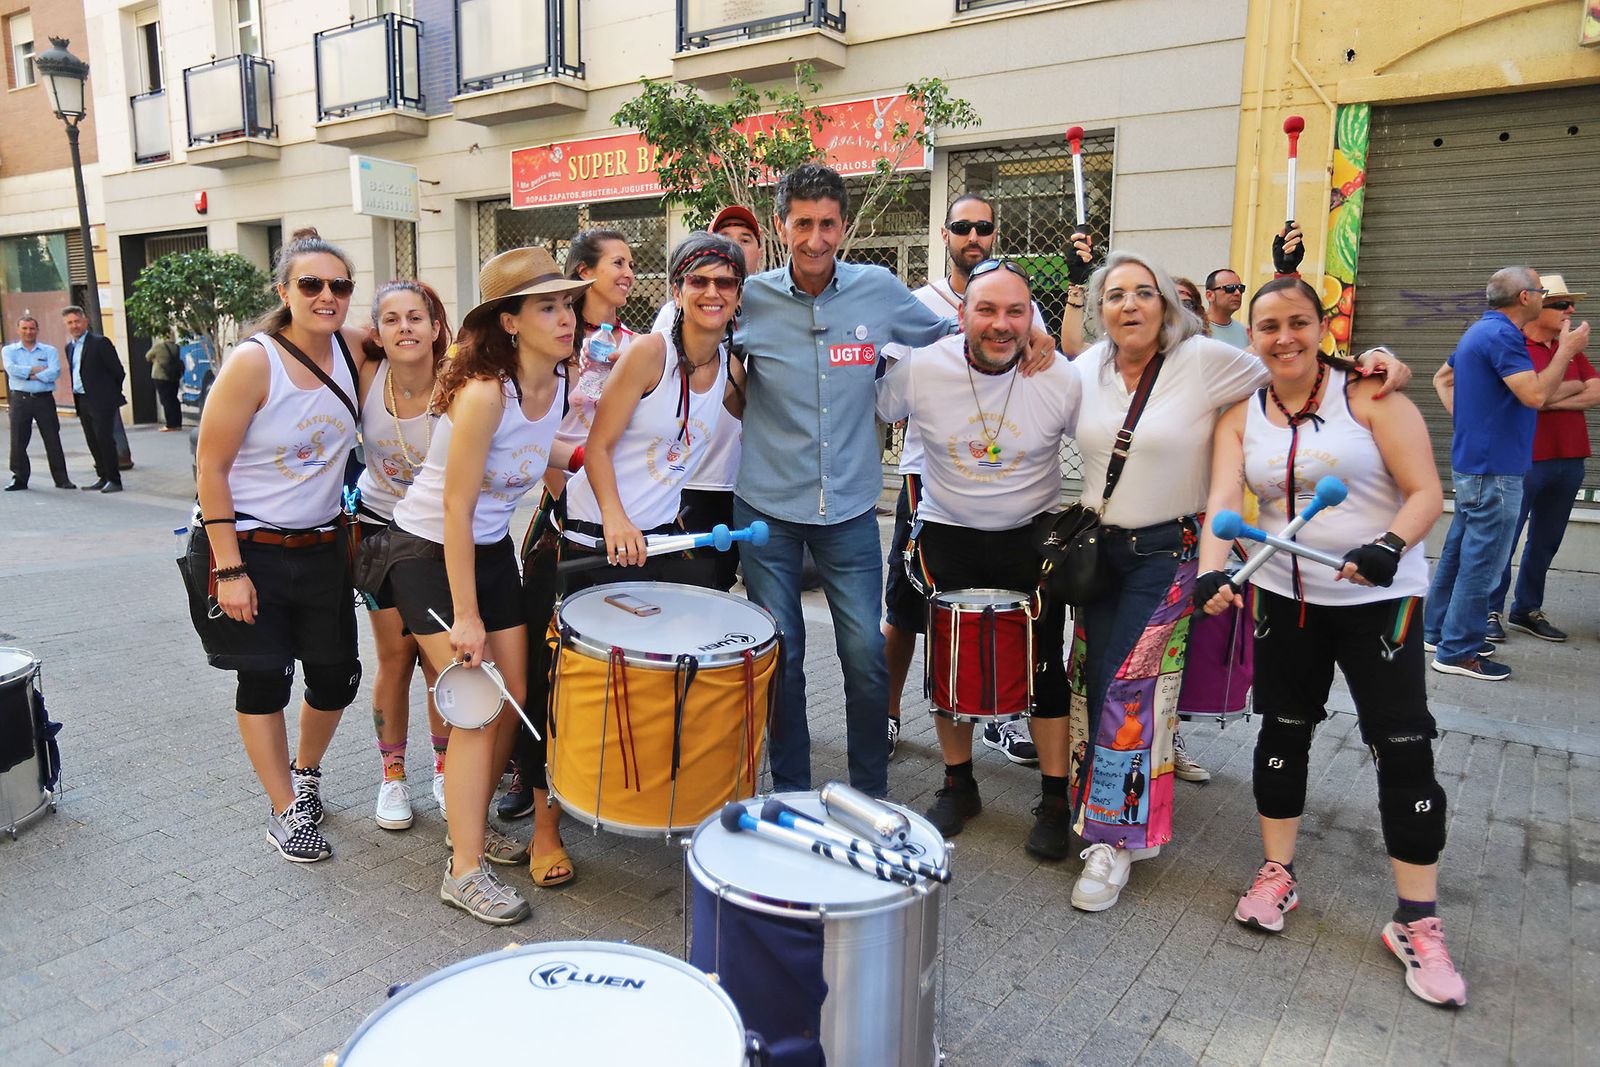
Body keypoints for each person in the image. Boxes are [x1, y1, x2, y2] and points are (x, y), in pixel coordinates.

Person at [1065, 251, 1410, 912]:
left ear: (1168, 304)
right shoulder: (1086, 368)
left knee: (1132, 691)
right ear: (1098, 310)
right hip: (1100, 555)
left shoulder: (1203, 358)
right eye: (1115, 295)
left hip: (1170, 552)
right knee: (1093, 683)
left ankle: (1115, 841)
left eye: (1145, 291)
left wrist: (1375, 362)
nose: (1129, 305)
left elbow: (1294, 367)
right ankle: (1095, 808)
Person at [731, 163, 1052, 798]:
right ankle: (793, 792)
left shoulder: (876, 289)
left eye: (828, 224)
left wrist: (1028, 333)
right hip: (766, 509)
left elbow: (955, 337)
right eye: (802, 224)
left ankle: (867, 797)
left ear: (844, 226)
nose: (816, 239)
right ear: (779, 226)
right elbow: (691, 342)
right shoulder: (751, 299)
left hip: (850, 509)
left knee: (865, 658)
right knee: (785, 657)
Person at [1196, 275, 1465, 1008]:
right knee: (1282, 730)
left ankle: (1417, 918)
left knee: (1403, 744)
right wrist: (1211, 574)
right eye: (1268, 326)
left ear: (1323, 326)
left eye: (1298, 322)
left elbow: (1426, 493)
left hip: (1382, 599)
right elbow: (1225, 501)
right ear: (1250, 336)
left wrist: (1390, 542)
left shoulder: (1373, 394)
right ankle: (1276, 871)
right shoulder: (1240, 413)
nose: (1283, 337)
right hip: (1287, 594)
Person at [387, 247, 586, 923]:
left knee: (516, 692)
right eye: (547, 306)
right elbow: (454, 507)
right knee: (475, 700)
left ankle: (466, 823)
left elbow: (537, 449)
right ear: (508, 320)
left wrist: (594, 452)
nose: (565, 316)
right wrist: (465, 616)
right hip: (429, 550)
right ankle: (464, 869)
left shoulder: (552, 383)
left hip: (490, 545)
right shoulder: (482, 394)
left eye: (567, 303)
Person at [875, 259, 1078, 849]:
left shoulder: (1059, 377)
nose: (1001, 324)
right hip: (947, 532)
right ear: (960, 316)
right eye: (986, 310)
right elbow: (861, 404)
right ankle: (958, 785)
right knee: (951, 664)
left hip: (1031, 537)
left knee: (1043, 668)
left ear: (1031, 316)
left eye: (1016, 311)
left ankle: (1054, 799)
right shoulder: (921, 369)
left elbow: (1114, 424)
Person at [190, 228, 369, 863]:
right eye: (311, 284)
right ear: (284, 291)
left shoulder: (353, 351)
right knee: (264, 678)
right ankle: (284, 809)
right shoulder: (254, 361)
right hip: (249, 546)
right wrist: (229, 568)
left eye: (339, 285)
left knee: (335, 678)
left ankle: (307, 774)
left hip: (322, 546)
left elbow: (421, 360)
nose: (327, 295)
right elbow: (210, 467)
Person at [500, 228, 638, 824]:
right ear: (582, 272)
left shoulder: (637, 346)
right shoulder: (558, 342)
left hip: (607, 509)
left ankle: (586, 771)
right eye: (617, 263)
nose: (629, 273)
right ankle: (524, 772)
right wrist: (561, 495)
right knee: (537, 653)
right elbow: (542, 433)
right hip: (560, 515)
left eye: (633, 263)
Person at [1423, 267, 1585, 681]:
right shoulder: (1503, 336)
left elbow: (1443, 377)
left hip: (1478, 462)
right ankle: (1458, 651)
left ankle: (1437, 630)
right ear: (1526, 298)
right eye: (1543, 292)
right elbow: (1533, 395)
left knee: (1461, 552)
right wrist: (1566, 351)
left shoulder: (1482, 330)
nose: (1556, 304)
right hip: (1495, 469)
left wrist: (1469, 422)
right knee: (1485, 562)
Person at [564, 231, 747, 586]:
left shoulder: (730, 370)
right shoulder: (648, 353)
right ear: (677, 292)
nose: (712, 292)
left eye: (725, 283)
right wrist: (615, 518)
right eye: (698, 280)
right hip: (599, 534)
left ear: (738, 295)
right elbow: (598, 448)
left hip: (660, 538)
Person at [354, 280, 453, 831]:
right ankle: (393, 775)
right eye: (391, 320)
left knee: (441, 660)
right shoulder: (369, 377)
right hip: (378, 531)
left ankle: (444, 766)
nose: (406, 328)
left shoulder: (460, 383)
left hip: (439, 535)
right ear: (378, 333)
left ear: (437, 329)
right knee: (395, 657)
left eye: (416, 317)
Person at [650, 205, 763, 593]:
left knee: (720, 586)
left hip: (744, 484)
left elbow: (749, 400)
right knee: (683, 588)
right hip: (688, 480)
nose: (732, 246)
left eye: (744, 239)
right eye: (723, 238)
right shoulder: (678, 314)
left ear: (759, 254)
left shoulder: (770, 311)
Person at [1482, 276, 1597, 643]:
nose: (1571, 311)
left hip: (1570, 458)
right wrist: (1547, 394)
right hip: (1524, 459)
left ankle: (1527, 609)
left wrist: (1547, 398)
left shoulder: (1572, 350)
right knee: (1505, 540)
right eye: (1562, 305)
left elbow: (1593, 390)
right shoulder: (1513, 345)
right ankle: (1489, 610)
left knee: (1546, 540)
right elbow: (1522, 397)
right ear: (1534, 305)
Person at [4, 314, 75, 491]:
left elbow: (54, 372)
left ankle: (61, 479)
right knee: (18, 440)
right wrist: (34, 372)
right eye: (25, 328)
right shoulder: (9, 351)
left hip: (44, 400)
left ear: (37, 330)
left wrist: (27, 374)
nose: (28, 332)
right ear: (18, 330)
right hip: (20, 400)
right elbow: (11, 370)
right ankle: (19, 478)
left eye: (32, 328)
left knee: (52, 439)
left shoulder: (48, 350)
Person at [62, 305, 127, 493]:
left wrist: (109, 393)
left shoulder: (100, 343)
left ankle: (114, 479)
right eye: (70, 323)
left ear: (85, 321)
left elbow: (118, 371)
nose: (74, 326)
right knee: (92, 439)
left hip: (102, 400)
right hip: (82, 399)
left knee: (105, 438)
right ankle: (103, 476)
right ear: (65, 325)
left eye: (77, 321)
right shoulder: (70, 347)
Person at [1203, 268, 1250, 348]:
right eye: (1230, 288)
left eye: (1241, 288)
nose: (1237, 293)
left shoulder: (1244, 332)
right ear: (1210, 295)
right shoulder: (1195, 329)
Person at [148, 337, 185, 430]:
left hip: (161, 376)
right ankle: (177, 423)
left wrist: (155, 359)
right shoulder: (176, 347)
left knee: (166, 401)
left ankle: (170, 425)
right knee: (174, 400)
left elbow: (148, 356)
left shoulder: (159, 346)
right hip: (174, 376)